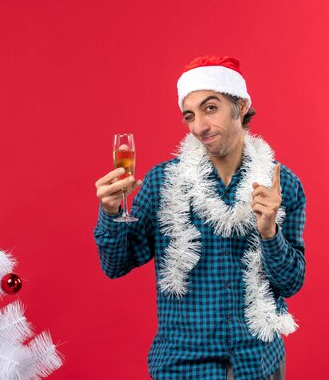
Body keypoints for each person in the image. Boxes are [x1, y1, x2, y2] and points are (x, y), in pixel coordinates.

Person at [94, 56, 306, 380]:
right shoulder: (162, 183)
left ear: (241, 104)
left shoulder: (282, 184)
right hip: (184, 367)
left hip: (259, 365)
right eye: (189, 115)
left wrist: (269, 233)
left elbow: (291, 283)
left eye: (210, 108)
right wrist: (111, 213)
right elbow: (115, 265)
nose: (198, 127)